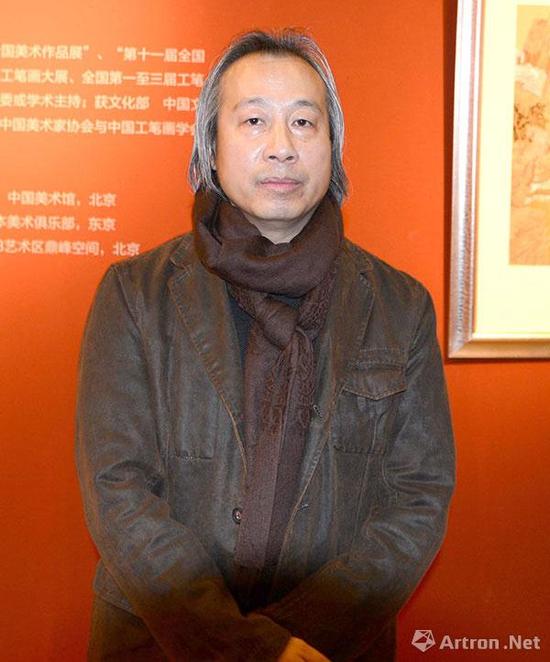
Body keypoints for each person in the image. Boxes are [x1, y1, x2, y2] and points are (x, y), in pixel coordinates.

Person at [76, 29, 455, 662]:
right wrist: (252, 648)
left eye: (304, 122)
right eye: (254, 120)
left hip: (330, 647)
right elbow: (118, 492)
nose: (282, 146)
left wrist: (302, 640)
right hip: (164, 643)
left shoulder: (400, 306)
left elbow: (418, 497)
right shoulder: (136, 295)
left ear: (333, 148)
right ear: (211, 146)